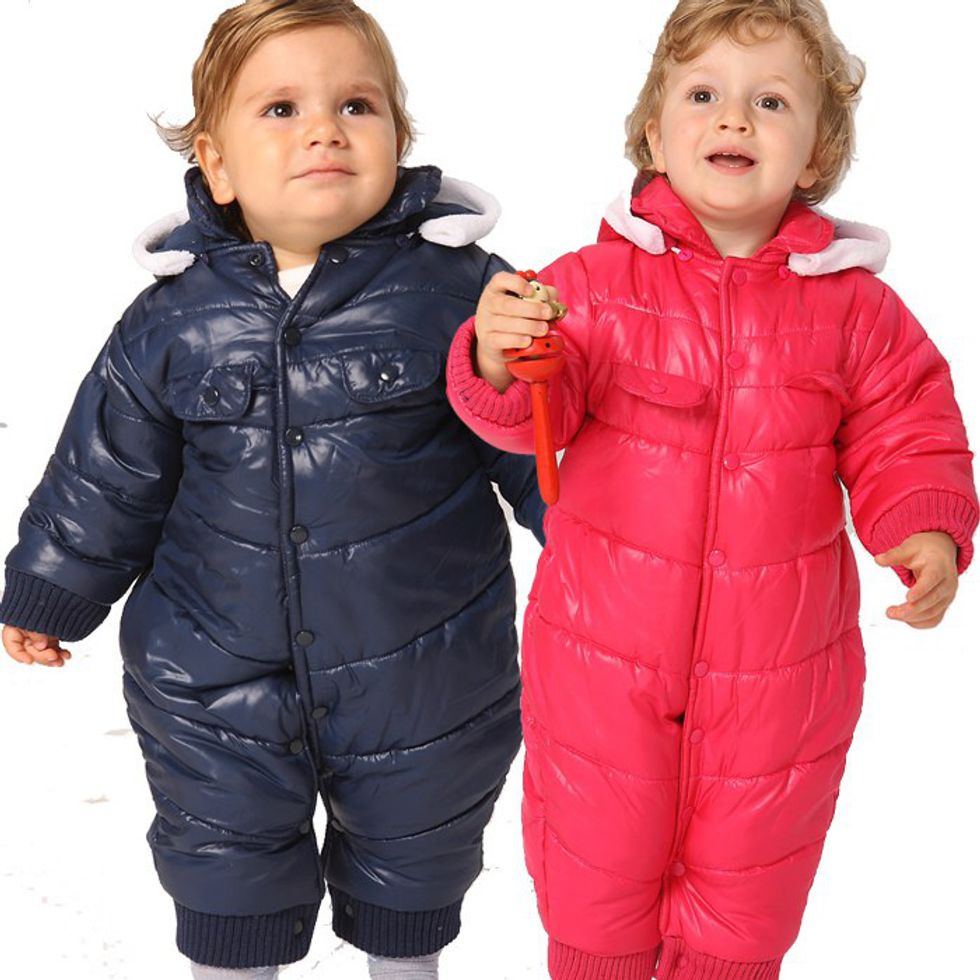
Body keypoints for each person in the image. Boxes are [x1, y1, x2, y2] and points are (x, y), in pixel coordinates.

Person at [0, 2, 544, 978]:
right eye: (282, 109)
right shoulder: (173, 319)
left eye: (357, 106)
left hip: (427, 671)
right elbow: (107, 470)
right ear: (216, 163)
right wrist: (48, 592)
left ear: (398, 140)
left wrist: (614, 550)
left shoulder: (459, 292)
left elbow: (540, 448)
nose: (323, 129)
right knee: (226, 874)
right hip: (210, 677)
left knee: (415, 866)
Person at [445, 1, 978, 978]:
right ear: (654, 137)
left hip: (781, 682)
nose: (733, 117)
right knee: (595, 874)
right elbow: (528, 417)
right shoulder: (589, 287)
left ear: (815, 153)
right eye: (702, 95)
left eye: (770, 101)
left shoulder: (854, 309)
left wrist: (923, 527)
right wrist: (497, 352)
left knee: (748, 889)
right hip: (602, 670)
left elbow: (909, 424)